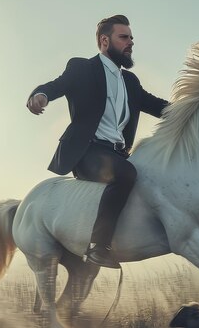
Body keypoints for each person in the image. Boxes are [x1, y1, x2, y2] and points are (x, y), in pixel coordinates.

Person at [26, 15, 168, 268]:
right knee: (126, 174)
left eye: (131, 38)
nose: (130, 42)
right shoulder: (82, 68)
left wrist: (193, 110)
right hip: (87, 153)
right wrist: (40, 96)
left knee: (144, 174)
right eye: (124, 37)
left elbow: (157, 105)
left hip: (118, 154)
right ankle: (97, 246)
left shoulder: (130, 82)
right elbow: (55, 86)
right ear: (105, 41)